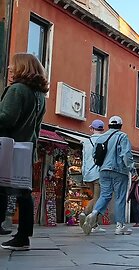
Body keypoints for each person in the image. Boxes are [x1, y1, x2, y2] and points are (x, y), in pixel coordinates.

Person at [0, 53, 48, 250]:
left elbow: (5, 118)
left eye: (13, 64)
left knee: (1, 189)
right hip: (26, 149)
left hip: (7, 147)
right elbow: (36, 128)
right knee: (23, 192)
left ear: (22, 67)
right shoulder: (40, 96)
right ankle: (23, 236)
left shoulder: (18, 90)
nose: (10, 68)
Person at [82, 116, 139, 235]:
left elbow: (94, 155)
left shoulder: (101, 137)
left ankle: (94, 213)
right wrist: (133, 171)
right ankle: (120, 225)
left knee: (104, 195)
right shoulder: (122, 136)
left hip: (103, 170)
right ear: (120, 126)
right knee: (120, 197)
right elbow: (126, 155)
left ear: (108, 126)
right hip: (119, 170)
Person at [78, 120, 105, 233]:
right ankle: (85, 214)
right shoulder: (104, 140)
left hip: (88, 174)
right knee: (97, 198)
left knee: (95, 198)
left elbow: (84, 159)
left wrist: (83, 174)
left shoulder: (86, 142)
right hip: (99, 173)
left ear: (91, 129)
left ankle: (94, 224)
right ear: (102, 130)